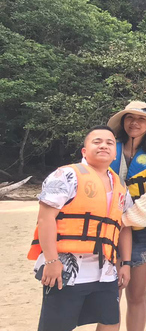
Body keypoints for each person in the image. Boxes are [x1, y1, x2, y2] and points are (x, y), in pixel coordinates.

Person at [29, 126, 133, 331]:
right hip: (67, 268)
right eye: (97, 142)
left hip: (106, 271)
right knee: (57, 326)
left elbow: (124, 226)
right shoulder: (66, 175)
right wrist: (51, 260)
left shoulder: (120, 186)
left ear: (114, 155)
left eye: (109, 143)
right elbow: (46, 218)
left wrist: (126, 263)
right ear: (84, 151)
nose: (103, 145)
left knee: (111, 322)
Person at [107, 101, 146, 331]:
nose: (134, 123)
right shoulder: (108, 146)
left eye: (141, 119)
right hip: (107, 230)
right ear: (123, 121)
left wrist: (121, 221)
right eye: (129, 118)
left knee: (136, 294)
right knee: (111, 293)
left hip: (142, 230)